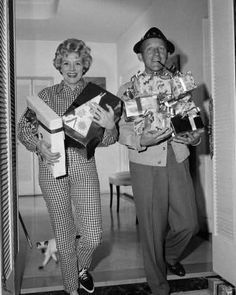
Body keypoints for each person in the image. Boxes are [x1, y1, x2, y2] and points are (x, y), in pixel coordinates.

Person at [17, 38, 118, 295]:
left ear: (85, 65)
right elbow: (23, 130)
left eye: (77, 62)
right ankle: (71, 288)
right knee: (63, 230)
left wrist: (110, 126)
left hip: (84, 166)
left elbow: (107, 140)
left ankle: (82, 267)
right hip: (52, 168)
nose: (71, 68)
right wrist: (38, 146)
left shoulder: (96, 96)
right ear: (58, 65)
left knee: (93, 234)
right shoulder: (46, 96)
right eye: (66, 62)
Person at [118, 27, 202, 295]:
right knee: (152, 227)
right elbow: (118, 129)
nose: (156, 52)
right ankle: (158, 285)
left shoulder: (180, 85)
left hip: (177, 157)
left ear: (167, 54)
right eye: (150, 48)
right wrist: (143, 140)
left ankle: (168, 256)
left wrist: (194, 137)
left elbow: (194, 122)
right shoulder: (129, 89)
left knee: (189, 223)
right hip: (145, 161)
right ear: (141, 55)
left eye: (161, 48)